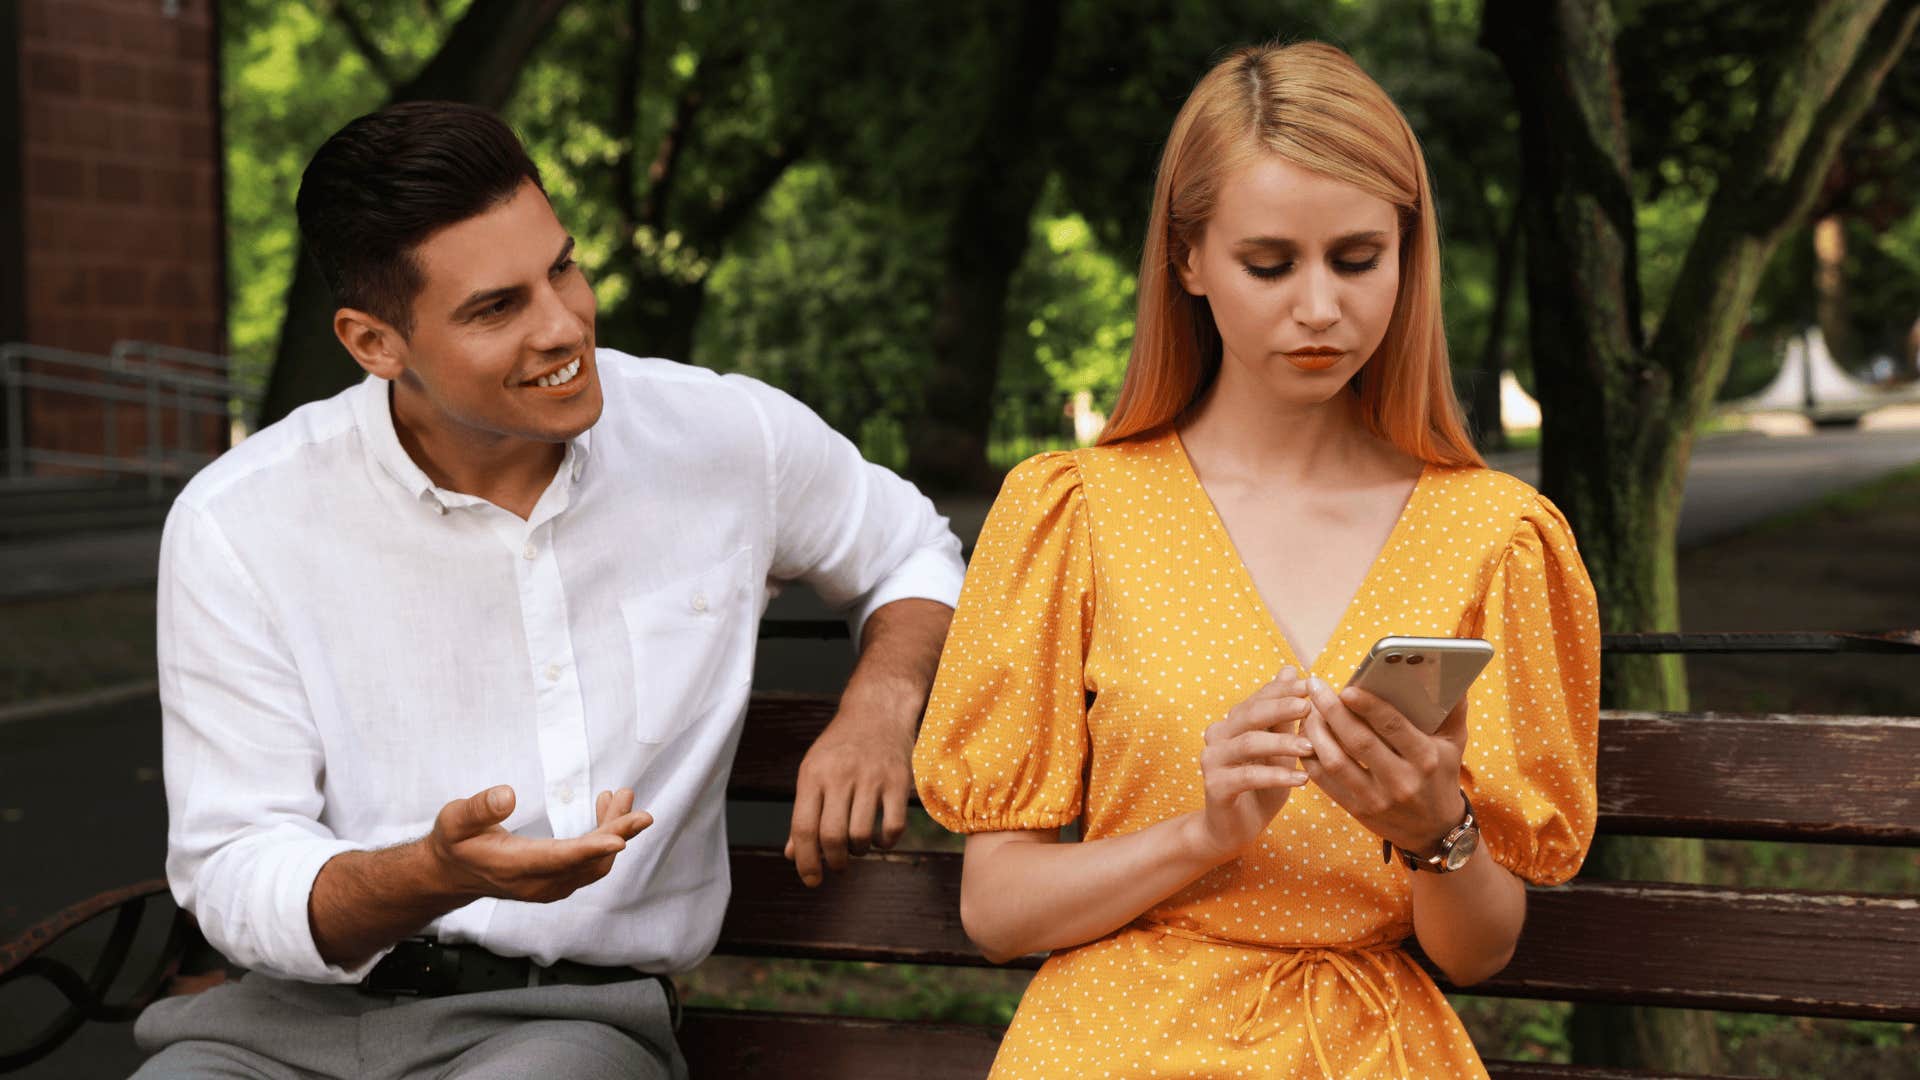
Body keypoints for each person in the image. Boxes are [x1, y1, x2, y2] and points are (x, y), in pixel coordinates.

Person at [135, 101, 963, 1079]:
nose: (565, 326)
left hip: (562, 1025)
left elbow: (911, 547)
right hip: (274, 1032)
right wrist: (424, 879)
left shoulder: (723, 439)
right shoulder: (240, 520)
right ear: (373, 343)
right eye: (498, 308)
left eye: (562, 267)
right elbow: (233, 862)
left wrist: (882, 701)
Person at [912, 42, 1599, 1078]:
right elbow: (997, 911)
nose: (1319, 307)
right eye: (1270, 264)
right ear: (1187, 259)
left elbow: (1479, 951)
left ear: (1410, 254)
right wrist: (1205, 832)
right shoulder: (1075, 514)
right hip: (1115, 1041)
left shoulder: (1495, 536)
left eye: (1358, 259)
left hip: (1366, 1046)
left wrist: (1437, 829)